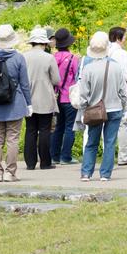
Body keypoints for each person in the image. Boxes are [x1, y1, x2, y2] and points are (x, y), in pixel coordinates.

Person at [76, 31, 127, 182]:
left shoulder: (88, 69)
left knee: (92, 142)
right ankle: (105, 174)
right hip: (114, 108)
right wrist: (125, 107)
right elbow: (123, 91)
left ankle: (86, 173)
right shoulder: (116, 67)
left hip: (95, 110)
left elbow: (84, 94)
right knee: (110, 142)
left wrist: (84, 108)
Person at [0, 24, 33, 182]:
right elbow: (24, 83)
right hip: (15, 103)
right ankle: (10, 172)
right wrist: (29, 103)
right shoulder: (18, 58)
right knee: (13, 138)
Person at [22, 26, 60, 170]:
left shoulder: (23, 57)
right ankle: (45, 162)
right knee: (44, 130)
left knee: (30, 129)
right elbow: (56, 80)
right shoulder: (49, 58)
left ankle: (30, 163)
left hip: (28, 98)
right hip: (45, 97)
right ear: (44, 43)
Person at [50, 28, 80, 165]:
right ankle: (66, 156)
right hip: (69, 98)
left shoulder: (52, 58)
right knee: (69, 127)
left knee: (58, 127)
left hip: (56, 97)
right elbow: (78, 77)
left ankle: (54, 155)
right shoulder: (73, 59)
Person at [107, 26, 127, 165]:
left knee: (106, 124)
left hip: (105, 92)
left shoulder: (105, 51)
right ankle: (124, 156)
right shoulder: (122, 54)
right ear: (118, 38)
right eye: (125, 37)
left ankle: (108, 156)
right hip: (120, 91)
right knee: (123, 123)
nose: (126, 40)